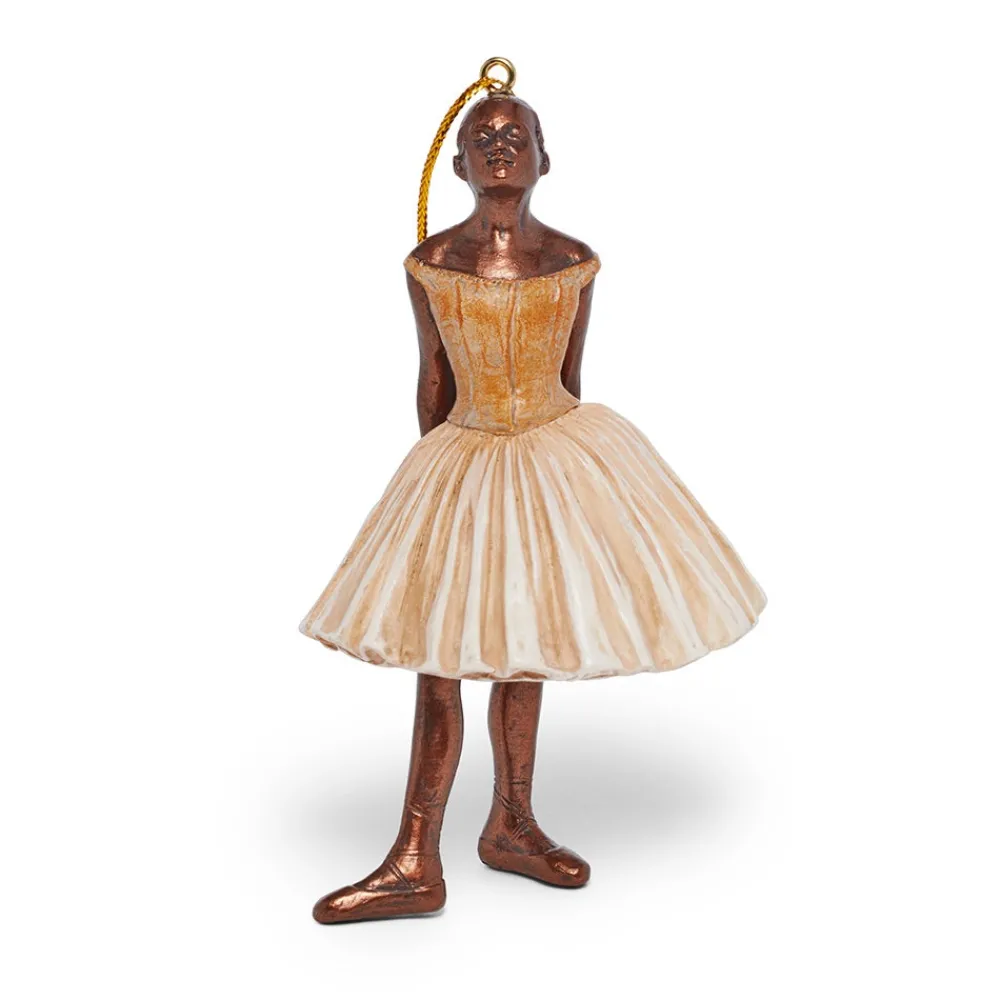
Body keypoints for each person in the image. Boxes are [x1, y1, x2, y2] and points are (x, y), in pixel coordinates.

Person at [301, 91, 766, 924]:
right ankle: (414, 855)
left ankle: (510, 821)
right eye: (483, 137)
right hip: (463, 453)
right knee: (438, 653)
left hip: (554, 446)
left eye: (516, 135)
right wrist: (440, 486)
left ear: (546, 158)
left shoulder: (572, 261)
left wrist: (558, 480)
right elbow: (434, 382)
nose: (501, 147)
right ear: (458, 164)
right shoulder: (431, 261)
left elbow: (570, 377)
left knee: (526, 639)